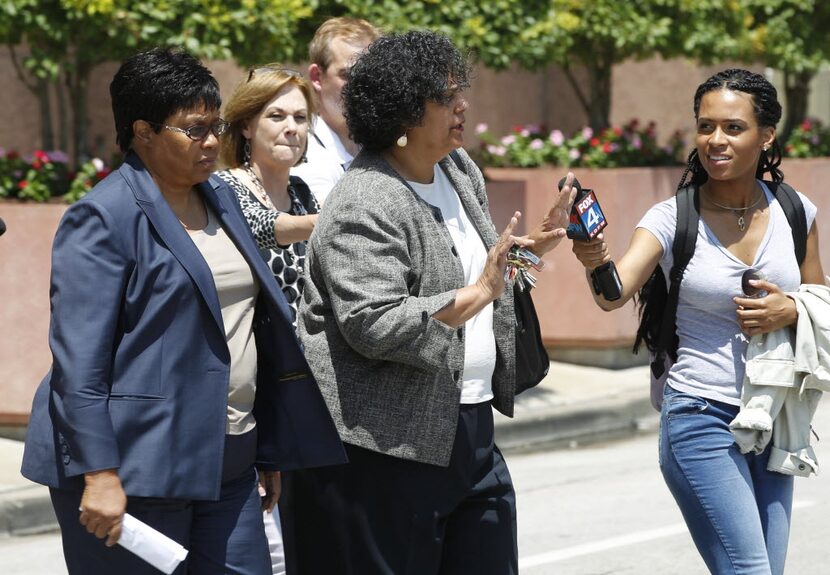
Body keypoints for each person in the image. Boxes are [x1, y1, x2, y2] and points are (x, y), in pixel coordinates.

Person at [20, 47, 345, 575]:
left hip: (231, 458)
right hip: (137, 465)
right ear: (143, 131)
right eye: (194, 130)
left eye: (215, 126)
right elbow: (79, 363)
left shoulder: (220, 194)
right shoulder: (102, 218)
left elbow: (250, 324)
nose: (213, 141)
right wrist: (99, 474)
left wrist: (266, 445)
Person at [290, 30, 575, 574]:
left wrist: (526, 248)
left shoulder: (457, 169)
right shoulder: (364, 201)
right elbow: (372, 322)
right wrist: (478, 292)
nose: (462, 105)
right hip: (387, 447)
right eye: (445, 98)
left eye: (459, 91)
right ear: (403, 112)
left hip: (468, 426)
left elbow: (480, 268)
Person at [572, 69, 825, 574]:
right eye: (705, 126)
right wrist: (595, 259)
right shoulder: (671, 217)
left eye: (733, 128)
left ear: (767, 135)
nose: (715, 140)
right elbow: (613, 294)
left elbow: (819, 295)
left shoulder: (796, 212)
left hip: (772, 414)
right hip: (699, 414)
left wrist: (793, 308)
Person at [216, 66, 318, 575]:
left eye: (301, 117)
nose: (290, 127)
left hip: (295, 386)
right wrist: (347, 216)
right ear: (246, 126)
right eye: (275, 115)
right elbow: (267, 229)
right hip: (243, 389)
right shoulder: (224, 188)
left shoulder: (303, 191)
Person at [289, 16, 380, 204]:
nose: (361, 86)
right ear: (316, 77)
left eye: (370, 75)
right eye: (348, 75)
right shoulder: (300, 151)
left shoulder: (384, 146)